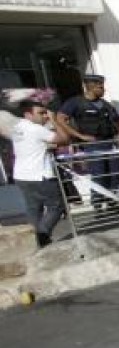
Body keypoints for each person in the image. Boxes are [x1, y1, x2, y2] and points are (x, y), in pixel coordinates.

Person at [57, 74, 119, 215]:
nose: (103, 89)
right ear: (91, 87)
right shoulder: (75, 102)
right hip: (93, 145)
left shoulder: (105, 104)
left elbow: (118, 121)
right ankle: (98, 206)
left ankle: (114, 203)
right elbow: (60, 118)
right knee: (98, 175)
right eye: (100, 87)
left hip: (109, 143)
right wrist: (79, 136)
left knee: (115, 173)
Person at [11, 99, 71, 247]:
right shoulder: (35, 129)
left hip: (22, 175)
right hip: (40, 175)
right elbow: (65, 139)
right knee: (58, 206)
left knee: (34, 209)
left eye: (45, 113)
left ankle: (35, 242)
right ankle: (42, 235)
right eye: (41, 113)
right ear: (28, 114)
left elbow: (33, 144)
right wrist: (54, 120)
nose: (45, 116)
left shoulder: (17, 128)